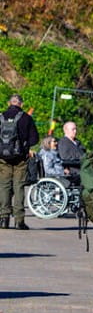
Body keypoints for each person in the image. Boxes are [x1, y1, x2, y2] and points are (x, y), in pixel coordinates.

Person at [0, 92, 40, 230]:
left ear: (8, 103)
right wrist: (25, 146)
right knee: (19, 187)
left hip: (3, 158)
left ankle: (3, 219)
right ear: (21, 104)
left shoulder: (1, 116)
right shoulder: (26, 118)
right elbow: (35, 139)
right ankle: (19, 220)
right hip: (20, 159)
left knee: (4, 186)